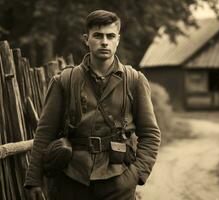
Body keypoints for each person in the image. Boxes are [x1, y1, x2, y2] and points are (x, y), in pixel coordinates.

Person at [24, 10, 161, 200]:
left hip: (117, 179)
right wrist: (34, 179)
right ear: (86, 39)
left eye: (110, 36)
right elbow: (45, 132)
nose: (104, 41)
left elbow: (150, 133)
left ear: (118, 40)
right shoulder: (64, 80)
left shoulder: (134, 80)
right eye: (98, 35)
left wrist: (136, 174)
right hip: (71, 179)